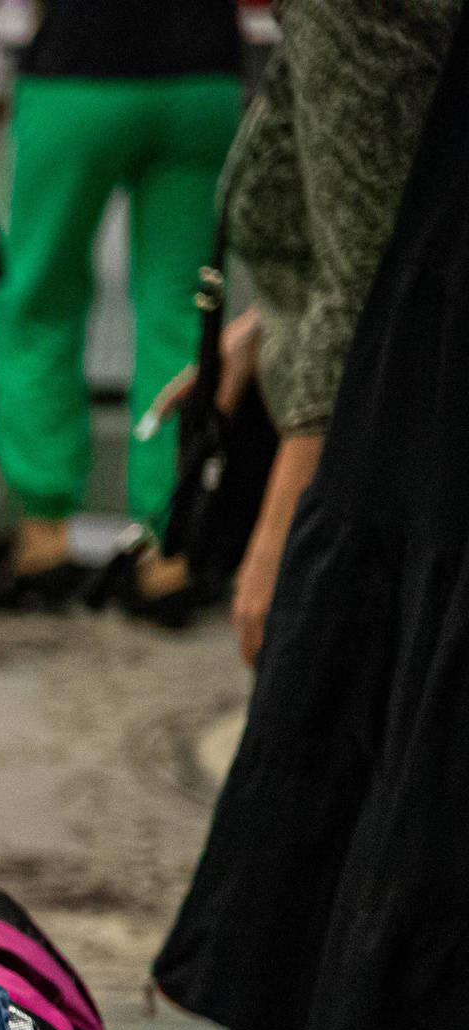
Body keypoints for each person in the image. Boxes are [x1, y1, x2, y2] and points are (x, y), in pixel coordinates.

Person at [155, 0, 468, 1030]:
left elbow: (377, 254)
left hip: (399, 448)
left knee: (360, 777)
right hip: (396, 406)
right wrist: (263, 339)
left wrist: (284, 519)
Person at [0, 0, 243, 618]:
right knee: (183, 317)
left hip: (78, 66)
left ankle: (44, 543)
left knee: (40, 303)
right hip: (201, 74)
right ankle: (167, 552)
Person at [217, 0, 458, 667]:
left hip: (371, 480)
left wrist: (278, 544)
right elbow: (404, 204)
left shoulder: (342, 9)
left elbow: (365, 291)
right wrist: (266, 323)